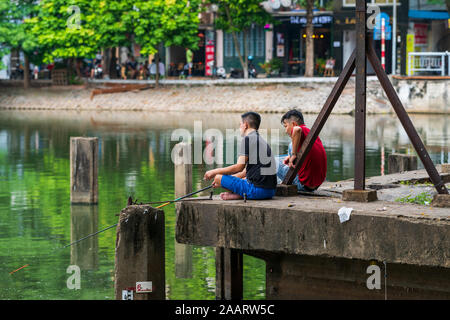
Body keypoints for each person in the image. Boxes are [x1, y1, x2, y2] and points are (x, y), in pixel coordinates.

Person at [203, 112, 277, 200]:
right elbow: (245, 172)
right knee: (227, 180)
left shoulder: (248, 139)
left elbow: (239, 167)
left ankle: (244, 194)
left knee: (218, 178)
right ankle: (240, 194)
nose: (239, 127)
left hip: (258, 191)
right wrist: (228, 180)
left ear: (245, 125)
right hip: (270, 191)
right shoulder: (259, 139)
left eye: (240, 124)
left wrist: (215, 172)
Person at [277, 109, 327, 192]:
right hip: (315, 184)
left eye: (286, 126)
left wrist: (293, 154)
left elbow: (297, 130)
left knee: (270, 161)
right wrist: (290, 156)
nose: (286, 131)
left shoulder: (298, 129)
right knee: (280, 158)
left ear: (293, 124)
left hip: (303, 184)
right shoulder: (310, 133)